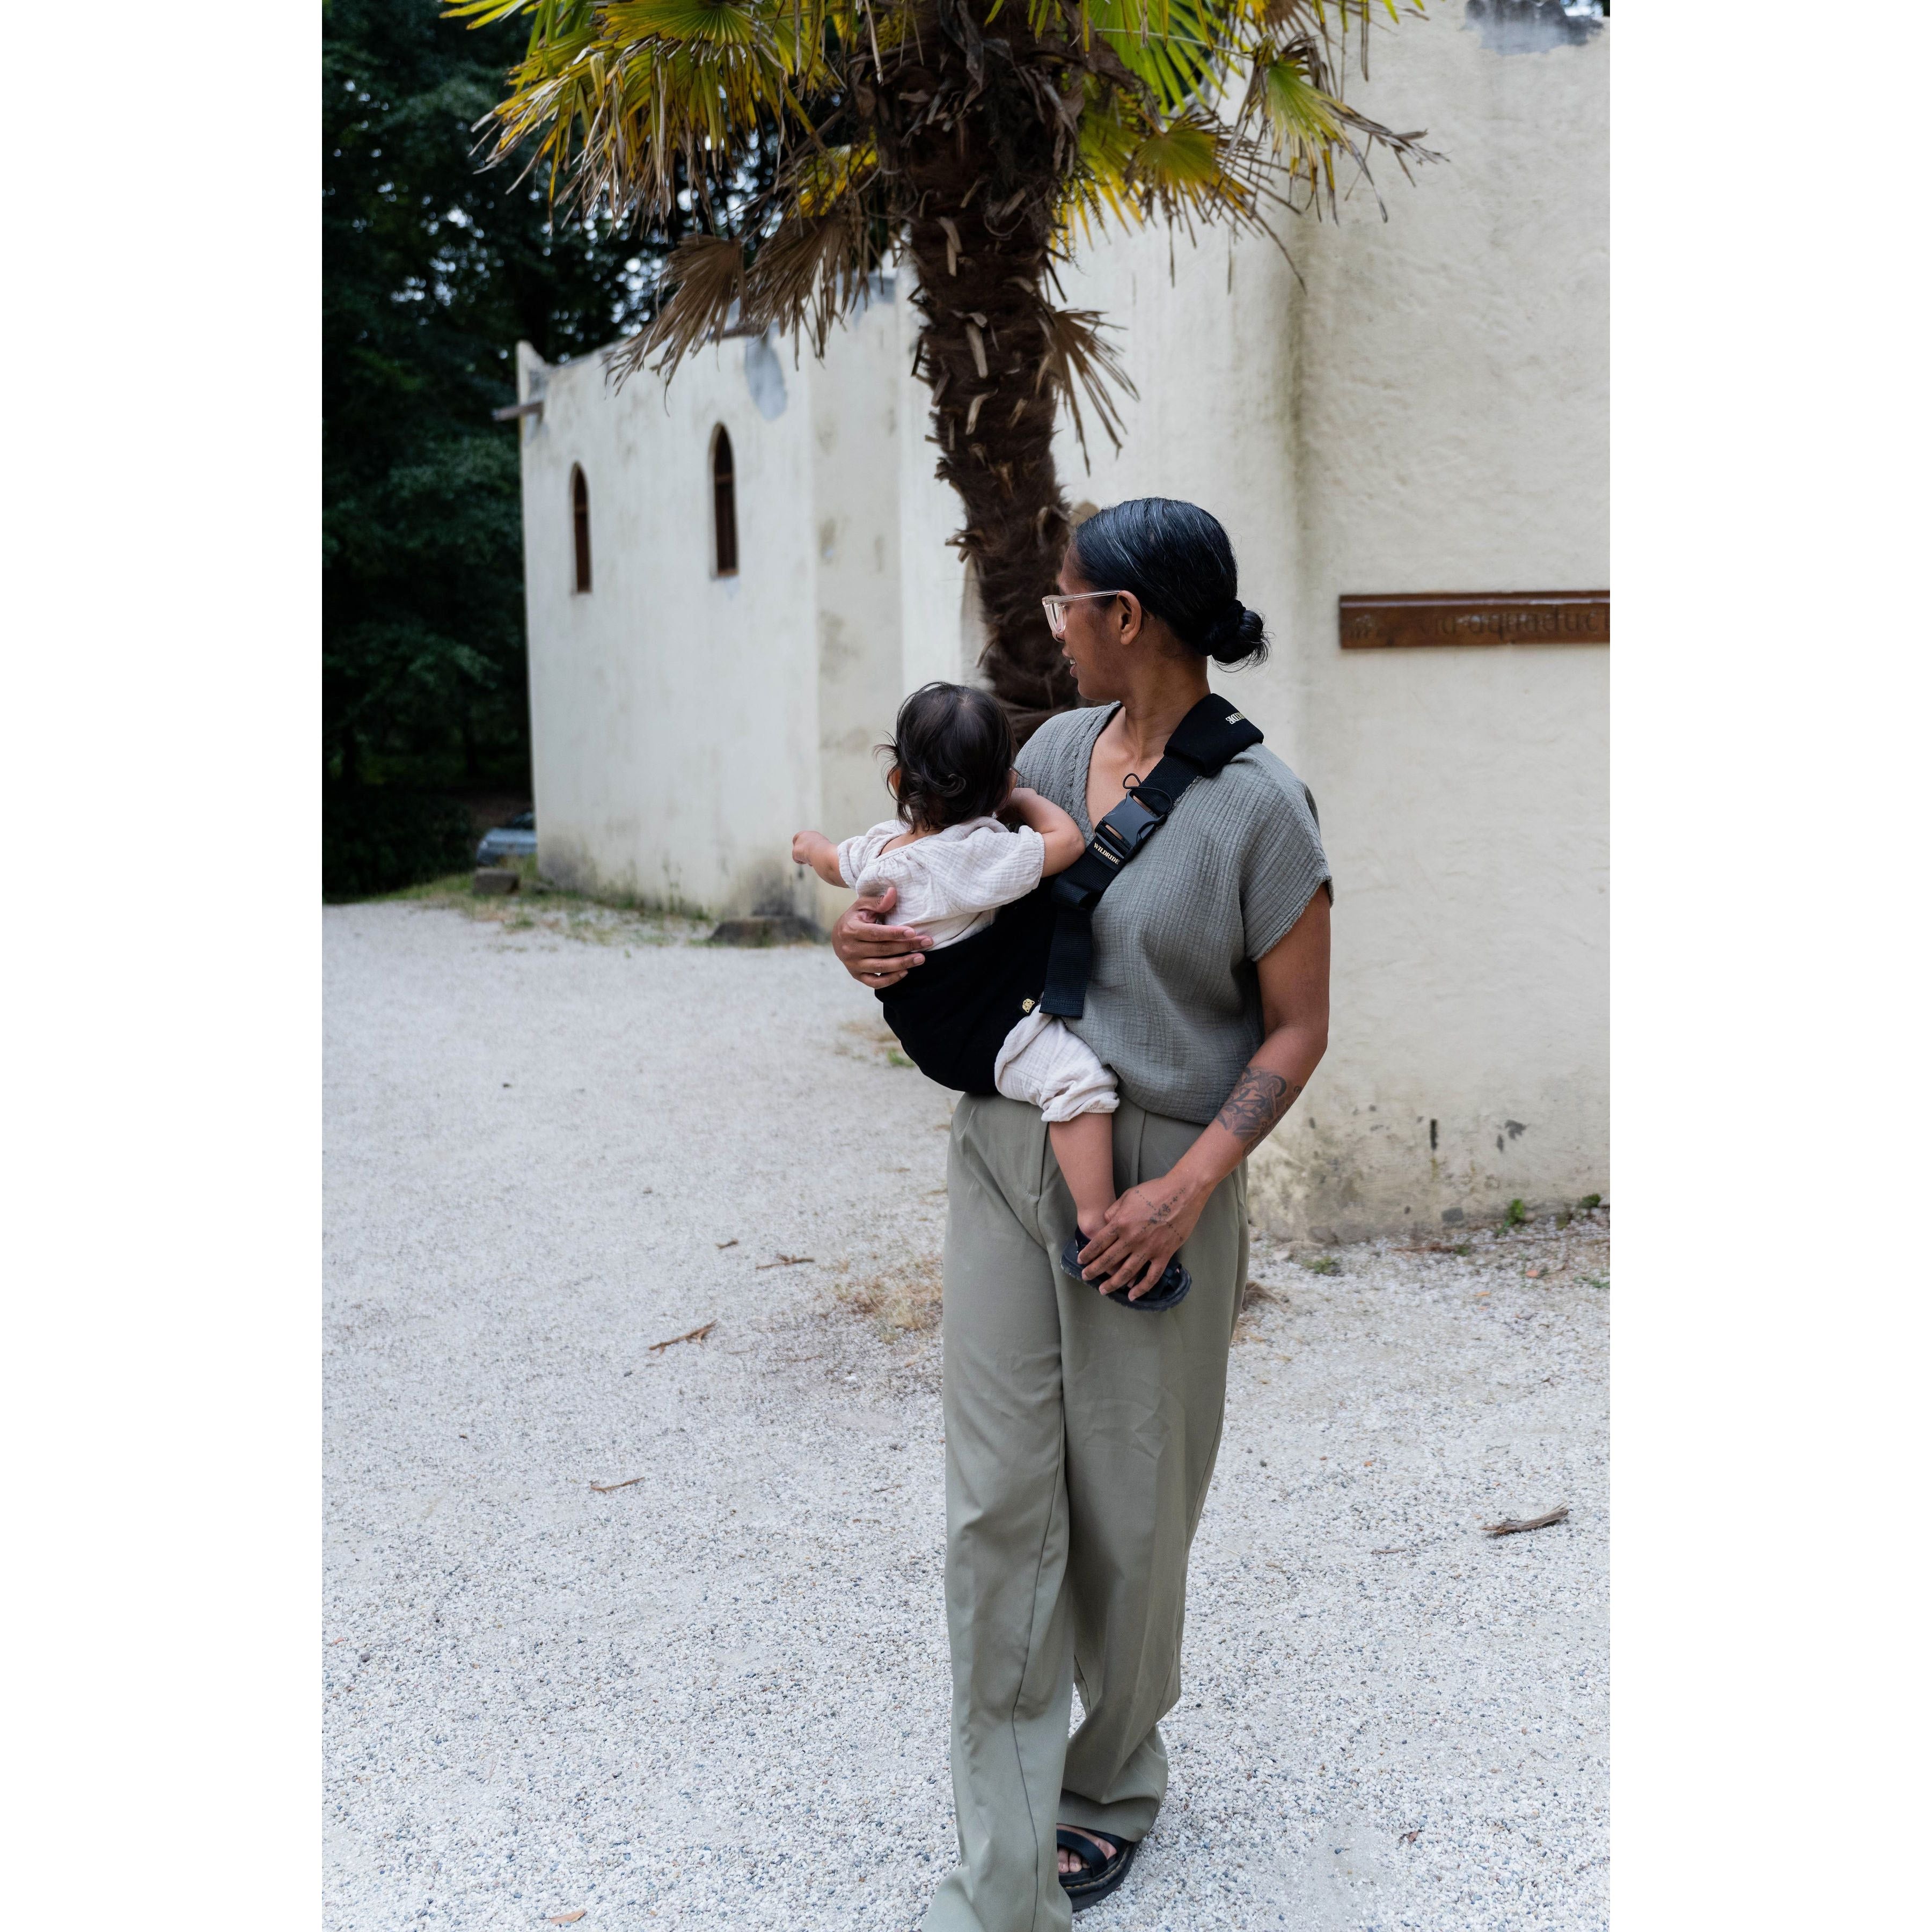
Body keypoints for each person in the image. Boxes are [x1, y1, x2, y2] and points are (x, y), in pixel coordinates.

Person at [830, 498, 1333, 1928]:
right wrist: (863, 935)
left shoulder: (1261, 807)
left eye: (1066, 603)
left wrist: (1185, 1191)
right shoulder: (1044, 755)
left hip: (1156, 1184)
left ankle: (1107, 1785)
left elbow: (1298, 1029)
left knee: (1132, 1509)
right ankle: (1002, 1868)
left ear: (1127, 616)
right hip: (1008, 1150)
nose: (1052, 626)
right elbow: (930, 877)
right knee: (997, 1504)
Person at [793, 682, 1188, 1301]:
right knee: (1077, 1083)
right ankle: (1095, 1226)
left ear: (897, 781)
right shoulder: (977, 858)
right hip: (978, 1029)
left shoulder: (881, 849)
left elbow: (829, 860)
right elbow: (1067, 843)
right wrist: (1025, 798)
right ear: (1001, 784)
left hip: (928, 1024)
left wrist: (807, 845)